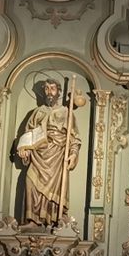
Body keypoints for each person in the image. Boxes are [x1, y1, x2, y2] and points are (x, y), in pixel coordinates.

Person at [12, 78, 81, 226]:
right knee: (30, 182)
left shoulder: (66, 113)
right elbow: (27, 134)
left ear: (59, 92)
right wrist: (24, 149)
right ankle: (32, 220)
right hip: (38, 155)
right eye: (47, 89)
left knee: (54, 190)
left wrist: (74, 154)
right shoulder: (37, 112)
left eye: (53, 89)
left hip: (57, 156)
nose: (49, 92)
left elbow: (75, 138)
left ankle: (53, 221)